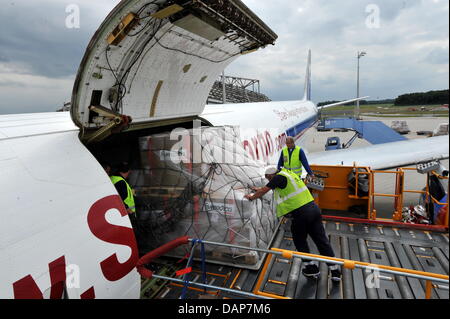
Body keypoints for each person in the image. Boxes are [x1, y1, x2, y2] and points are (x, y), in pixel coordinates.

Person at [244, 166, 341, 281]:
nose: (269, 182)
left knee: (300, 241)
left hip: (301, 214)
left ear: (270, 176)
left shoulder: (277, 178)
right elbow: (272, 188)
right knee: (321, 240)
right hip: (314, 209)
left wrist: (251, 197)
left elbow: (264, 190)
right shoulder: (288, 174)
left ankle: (311, 270)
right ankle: (335, 271)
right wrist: (258, 189)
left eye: (268, 179)